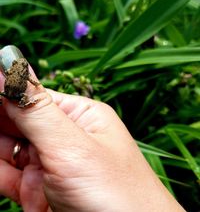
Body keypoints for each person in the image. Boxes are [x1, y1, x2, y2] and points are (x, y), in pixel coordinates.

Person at [0, 65, 185, 212]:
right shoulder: (21, 71)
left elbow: (31, 84)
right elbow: (32, 82)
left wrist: (35, 98)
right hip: (15, 94)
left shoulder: (20, 71)